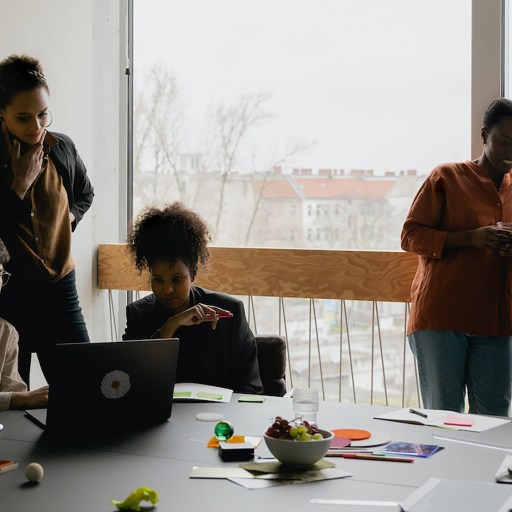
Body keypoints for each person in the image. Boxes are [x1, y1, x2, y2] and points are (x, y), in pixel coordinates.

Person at [401, 97, 512, 416]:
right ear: (484, 135)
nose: (510, 152)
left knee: (494, 418)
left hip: (498, 321)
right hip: (442, 317)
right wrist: (470, 239)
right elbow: (410, 236)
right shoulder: (447, 177)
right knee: (443, 418)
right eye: (503, 141)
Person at [0, 55, 93, 385]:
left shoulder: (62, 147)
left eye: (42, 114)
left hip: (61, 286)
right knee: (14, 396)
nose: (36, 126)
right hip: (11, 294)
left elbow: (85, 193)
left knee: (86, 385)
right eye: (23, 117)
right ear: (2, 113)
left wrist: (71, 217)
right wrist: (19, 187)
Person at [123, 202, 263, 394]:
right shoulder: (139, 315)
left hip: (219, 419)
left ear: (193, 274)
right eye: (158, 280)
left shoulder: (229, 312)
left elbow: (251, 388)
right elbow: (130, 381)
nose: (168, 289)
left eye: (177, 279)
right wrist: (171, 325)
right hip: (163, 417)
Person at [0, 238, 48, 411]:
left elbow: (15, 397)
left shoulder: (6, 333)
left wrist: (17, 399)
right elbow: (16, 399)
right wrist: (14, 399)